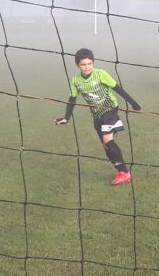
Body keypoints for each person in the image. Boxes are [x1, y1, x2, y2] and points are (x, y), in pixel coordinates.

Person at [54, 48, 141, 186]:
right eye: (83, 64)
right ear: (78, 65)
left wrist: (134, 103)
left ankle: (124, 173)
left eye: (89, 63)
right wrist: (66, 118)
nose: (87, 67)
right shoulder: (76, 80)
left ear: (93, 63)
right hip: (96, 114)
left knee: (107, 140)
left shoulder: (101, 74)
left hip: (109, 109)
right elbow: (72, 99)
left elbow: (117, 88)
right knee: (106, 146)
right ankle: (121, 171)